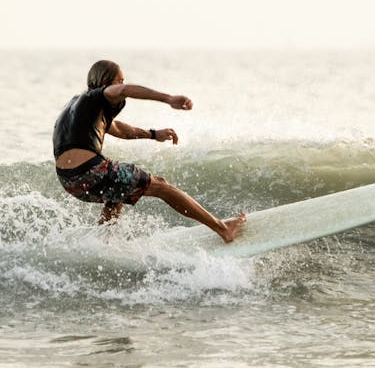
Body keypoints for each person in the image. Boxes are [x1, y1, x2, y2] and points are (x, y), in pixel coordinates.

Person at [53, 60, 246, 243]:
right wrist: (168, 98)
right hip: (91, 171)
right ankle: (223, 229)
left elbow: (119, 129)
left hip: (69, 181)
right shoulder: (98, 95)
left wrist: (154, 134)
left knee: (118, 193)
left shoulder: (79, 107)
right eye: (119, 79)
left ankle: (103, 243)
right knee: (162, 185)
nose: (122, 84)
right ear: (105, 82)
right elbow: (124, 90)